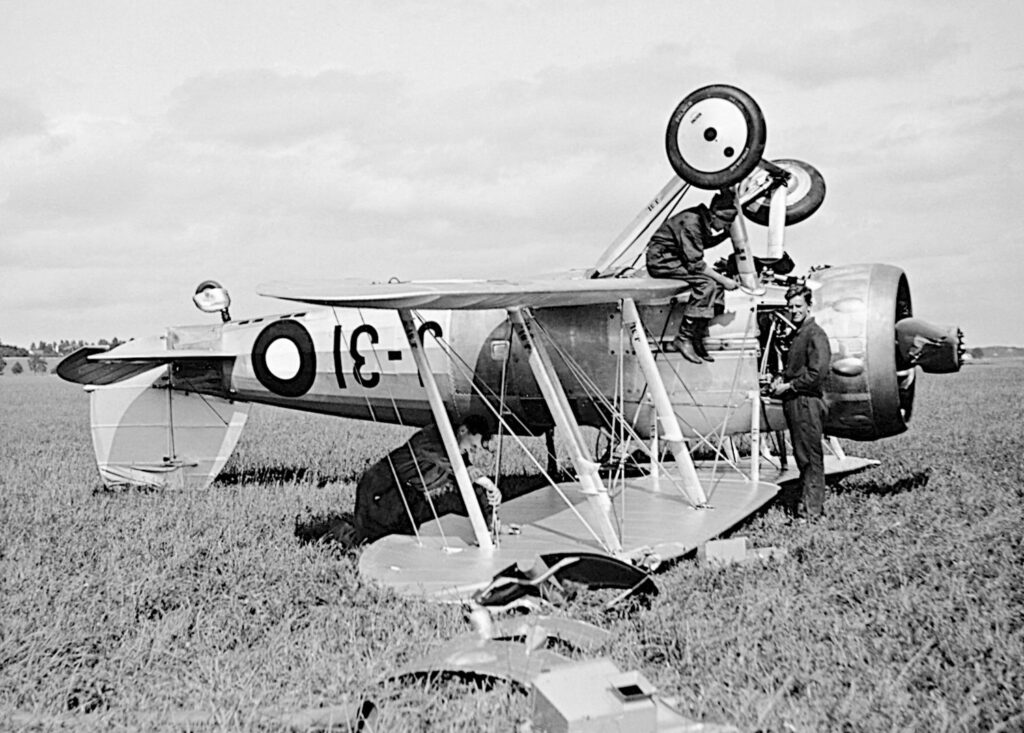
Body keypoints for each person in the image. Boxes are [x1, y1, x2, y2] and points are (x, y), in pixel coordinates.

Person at [329, 415, 501, 546]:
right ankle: (336, 531)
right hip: (379, 489)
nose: (473, 451)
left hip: (406, 495)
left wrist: (490, 524)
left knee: (402, 542)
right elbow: (461, 470)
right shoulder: (432, 438)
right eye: (473, 446)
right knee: (368, 542)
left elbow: (470, 484)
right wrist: (487, 483)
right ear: (463, 430)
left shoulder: (455, 454)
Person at [646, 189, 741, 363]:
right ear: (715, 217)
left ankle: (697, 334)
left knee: (717, 286)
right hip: (662, 261)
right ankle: (683, 337)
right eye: (725, 224)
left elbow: (701, 243)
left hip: (675, 259)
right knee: (707, 285)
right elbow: (696, 263)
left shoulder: (700, 219)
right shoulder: (691, 222)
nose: (725, 227)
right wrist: (724, 279)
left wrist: (726, 235)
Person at [771, 285, 832, 519]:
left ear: (809, 306)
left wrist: (789, 386)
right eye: (790, 306)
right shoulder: (800, 333)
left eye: (798, 306)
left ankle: (811, 513)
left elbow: (817, 374)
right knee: (803, 456)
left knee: (810, 458)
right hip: (797, 402)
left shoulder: (815, 334)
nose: (793, 310)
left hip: (805, 401)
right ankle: (807, 508)